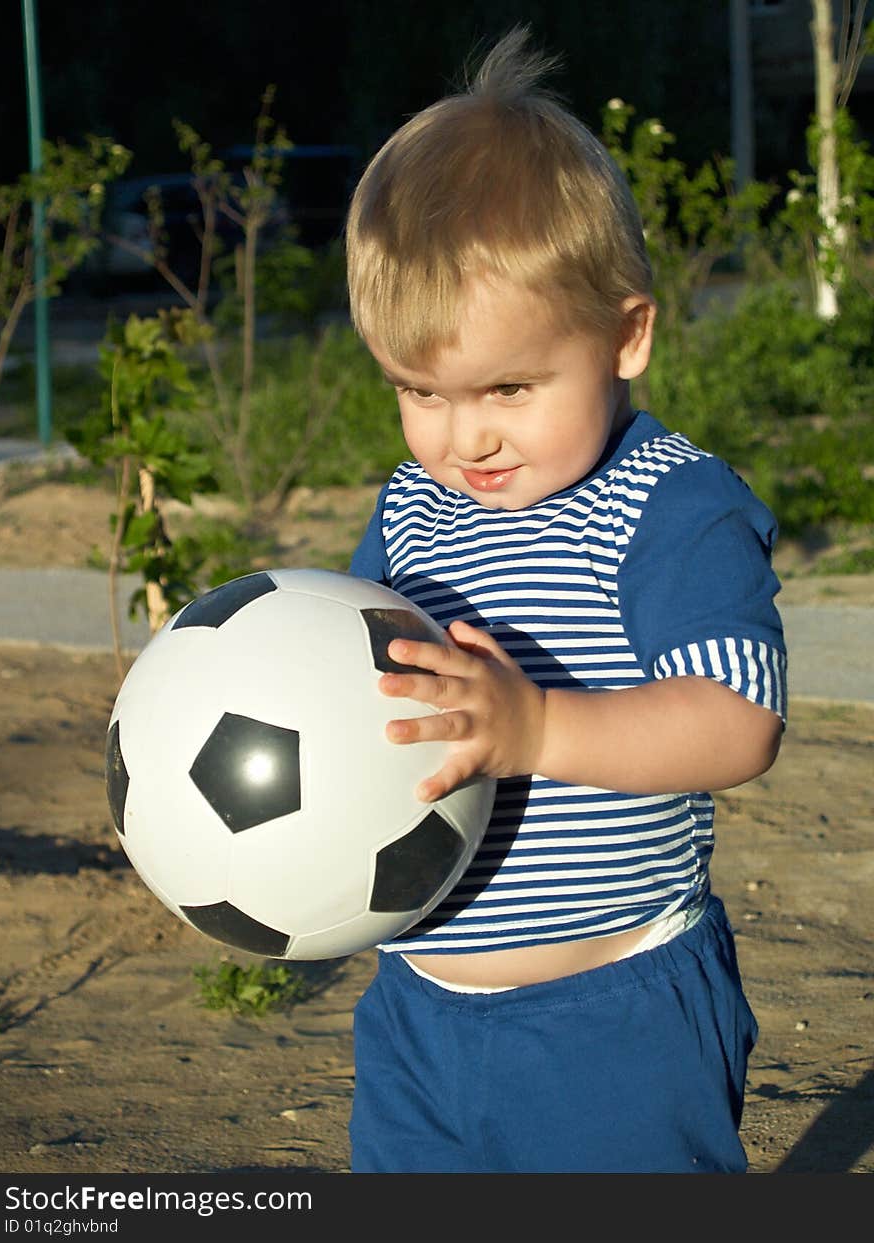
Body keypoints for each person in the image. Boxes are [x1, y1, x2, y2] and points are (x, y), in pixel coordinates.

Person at [344, 26, 787, 1174]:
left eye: (508, 387)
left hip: (614, 1018)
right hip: (416, 1015)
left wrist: (536, 727)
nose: (465, 436)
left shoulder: (670, 507)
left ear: (625, 334)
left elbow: (736, 724)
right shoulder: (409, 511)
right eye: (418, 392)